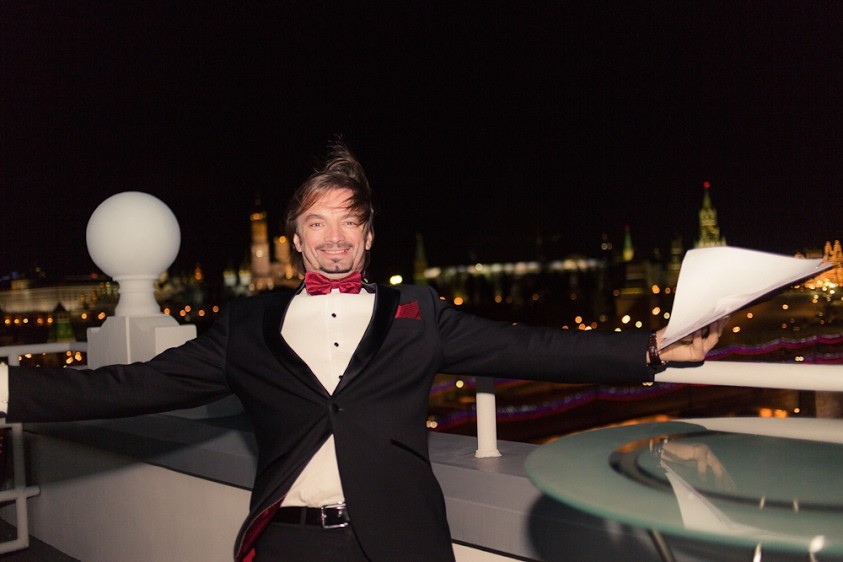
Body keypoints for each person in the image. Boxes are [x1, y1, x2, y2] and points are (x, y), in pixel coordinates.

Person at [0, 141, 724, 562]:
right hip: (291, 546)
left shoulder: (419, 314)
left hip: (402, 542)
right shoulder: (246, 327)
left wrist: (654, 349)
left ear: (370, 235)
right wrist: (7, 392)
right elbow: (129, 387)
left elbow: (530, 347)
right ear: (296, 239)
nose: (335, 237)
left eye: (350, 221)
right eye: (317, 223)